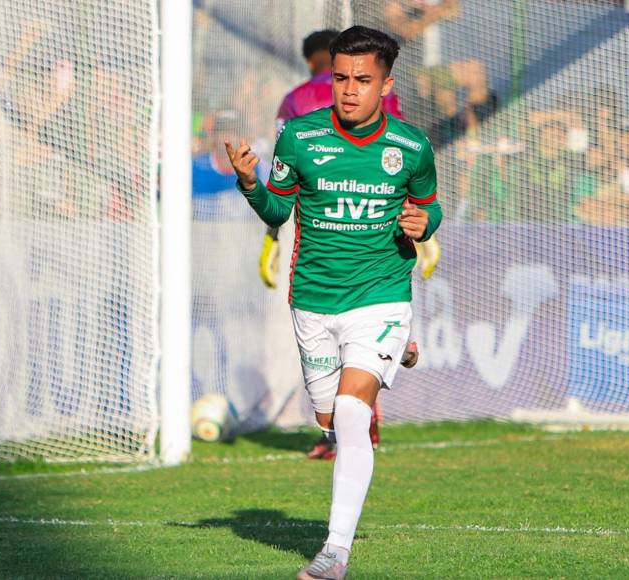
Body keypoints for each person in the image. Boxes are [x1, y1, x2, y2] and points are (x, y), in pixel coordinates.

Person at [224, 26, 442, 580]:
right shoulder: (299, 138)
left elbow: (428, 209)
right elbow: (277, 213)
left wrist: (425, 221)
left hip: (380, 293)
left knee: (351, 413)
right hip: (314, 301)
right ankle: (399, 349)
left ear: (385, 84)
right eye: (341, 78)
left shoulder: (411, 146)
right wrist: (251, 182)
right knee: (328, 421)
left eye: (362, 80)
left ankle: (334, 553)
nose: (348, 90)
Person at [259, 29, 418, 461]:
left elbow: (281, 184)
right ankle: (357, 411)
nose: (349, 89)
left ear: (309, 58)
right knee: (336, 382)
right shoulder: (381, 106)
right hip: (381, 217)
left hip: (320, 228)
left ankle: (352, 427)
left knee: (350, 356)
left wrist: (273, 235)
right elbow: (399, 149)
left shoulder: (293, 103)